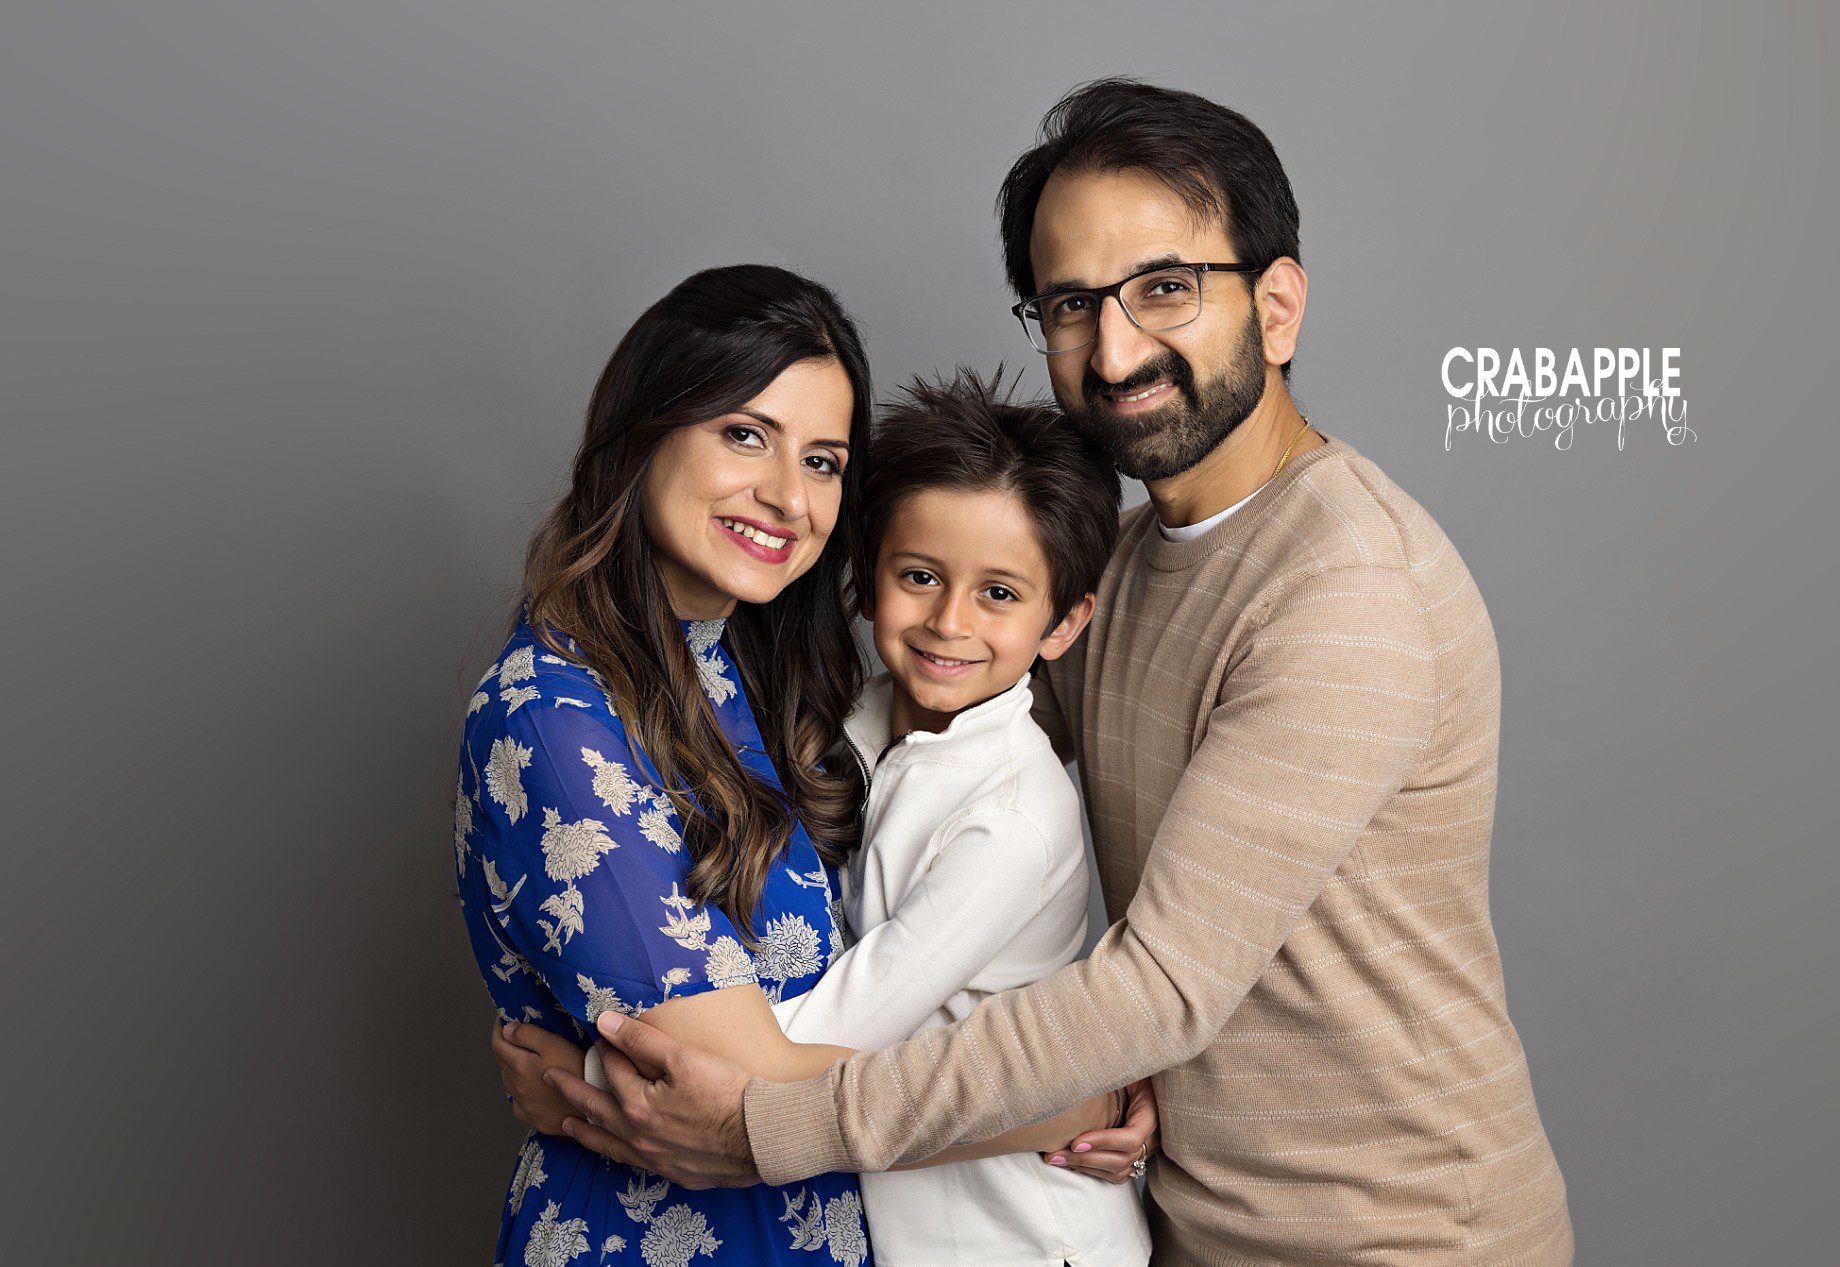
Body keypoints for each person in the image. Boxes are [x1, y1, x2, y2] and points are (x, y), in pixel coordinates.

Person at [540, 80, 1575, 1266]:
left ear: (1277, 306)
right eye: (1073, 304)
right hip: (1181, 1218)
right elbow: (937, 747)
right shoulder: (1115, 571)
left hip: (1397, 1236)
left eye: (1165, 287)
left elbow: (1156, 990)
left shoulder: (1345, 592)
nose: (1115, 349)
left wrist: (753, 1125)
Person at [500, 367, 1157, 1265]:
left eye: (1000, 594)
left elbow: (819, 1036)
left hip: (1020, 1235)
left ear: (1064, 623)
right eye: (919, 576)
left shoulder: (1013, 820)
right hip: (895, 1218)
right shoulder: (839, 724)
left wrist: (579, 1074)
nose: (949, 621)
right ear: (868, 577)